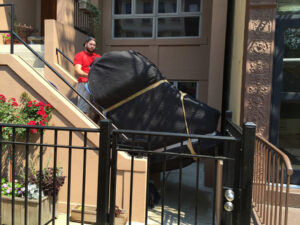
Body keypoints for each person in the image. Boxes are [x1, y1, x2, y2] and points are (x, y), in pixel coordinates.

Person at [73, 37, 101, 114]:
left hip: (96, 84)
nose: (92, 46)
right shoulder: (80, 55)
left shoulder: (98, 57)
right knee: (83, 107)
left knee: (97, 108)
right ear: (85, 44)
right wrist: (90, 76)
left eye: (94, 45)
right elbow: (77, 71)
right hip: (84, 83)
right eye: (90, 44)